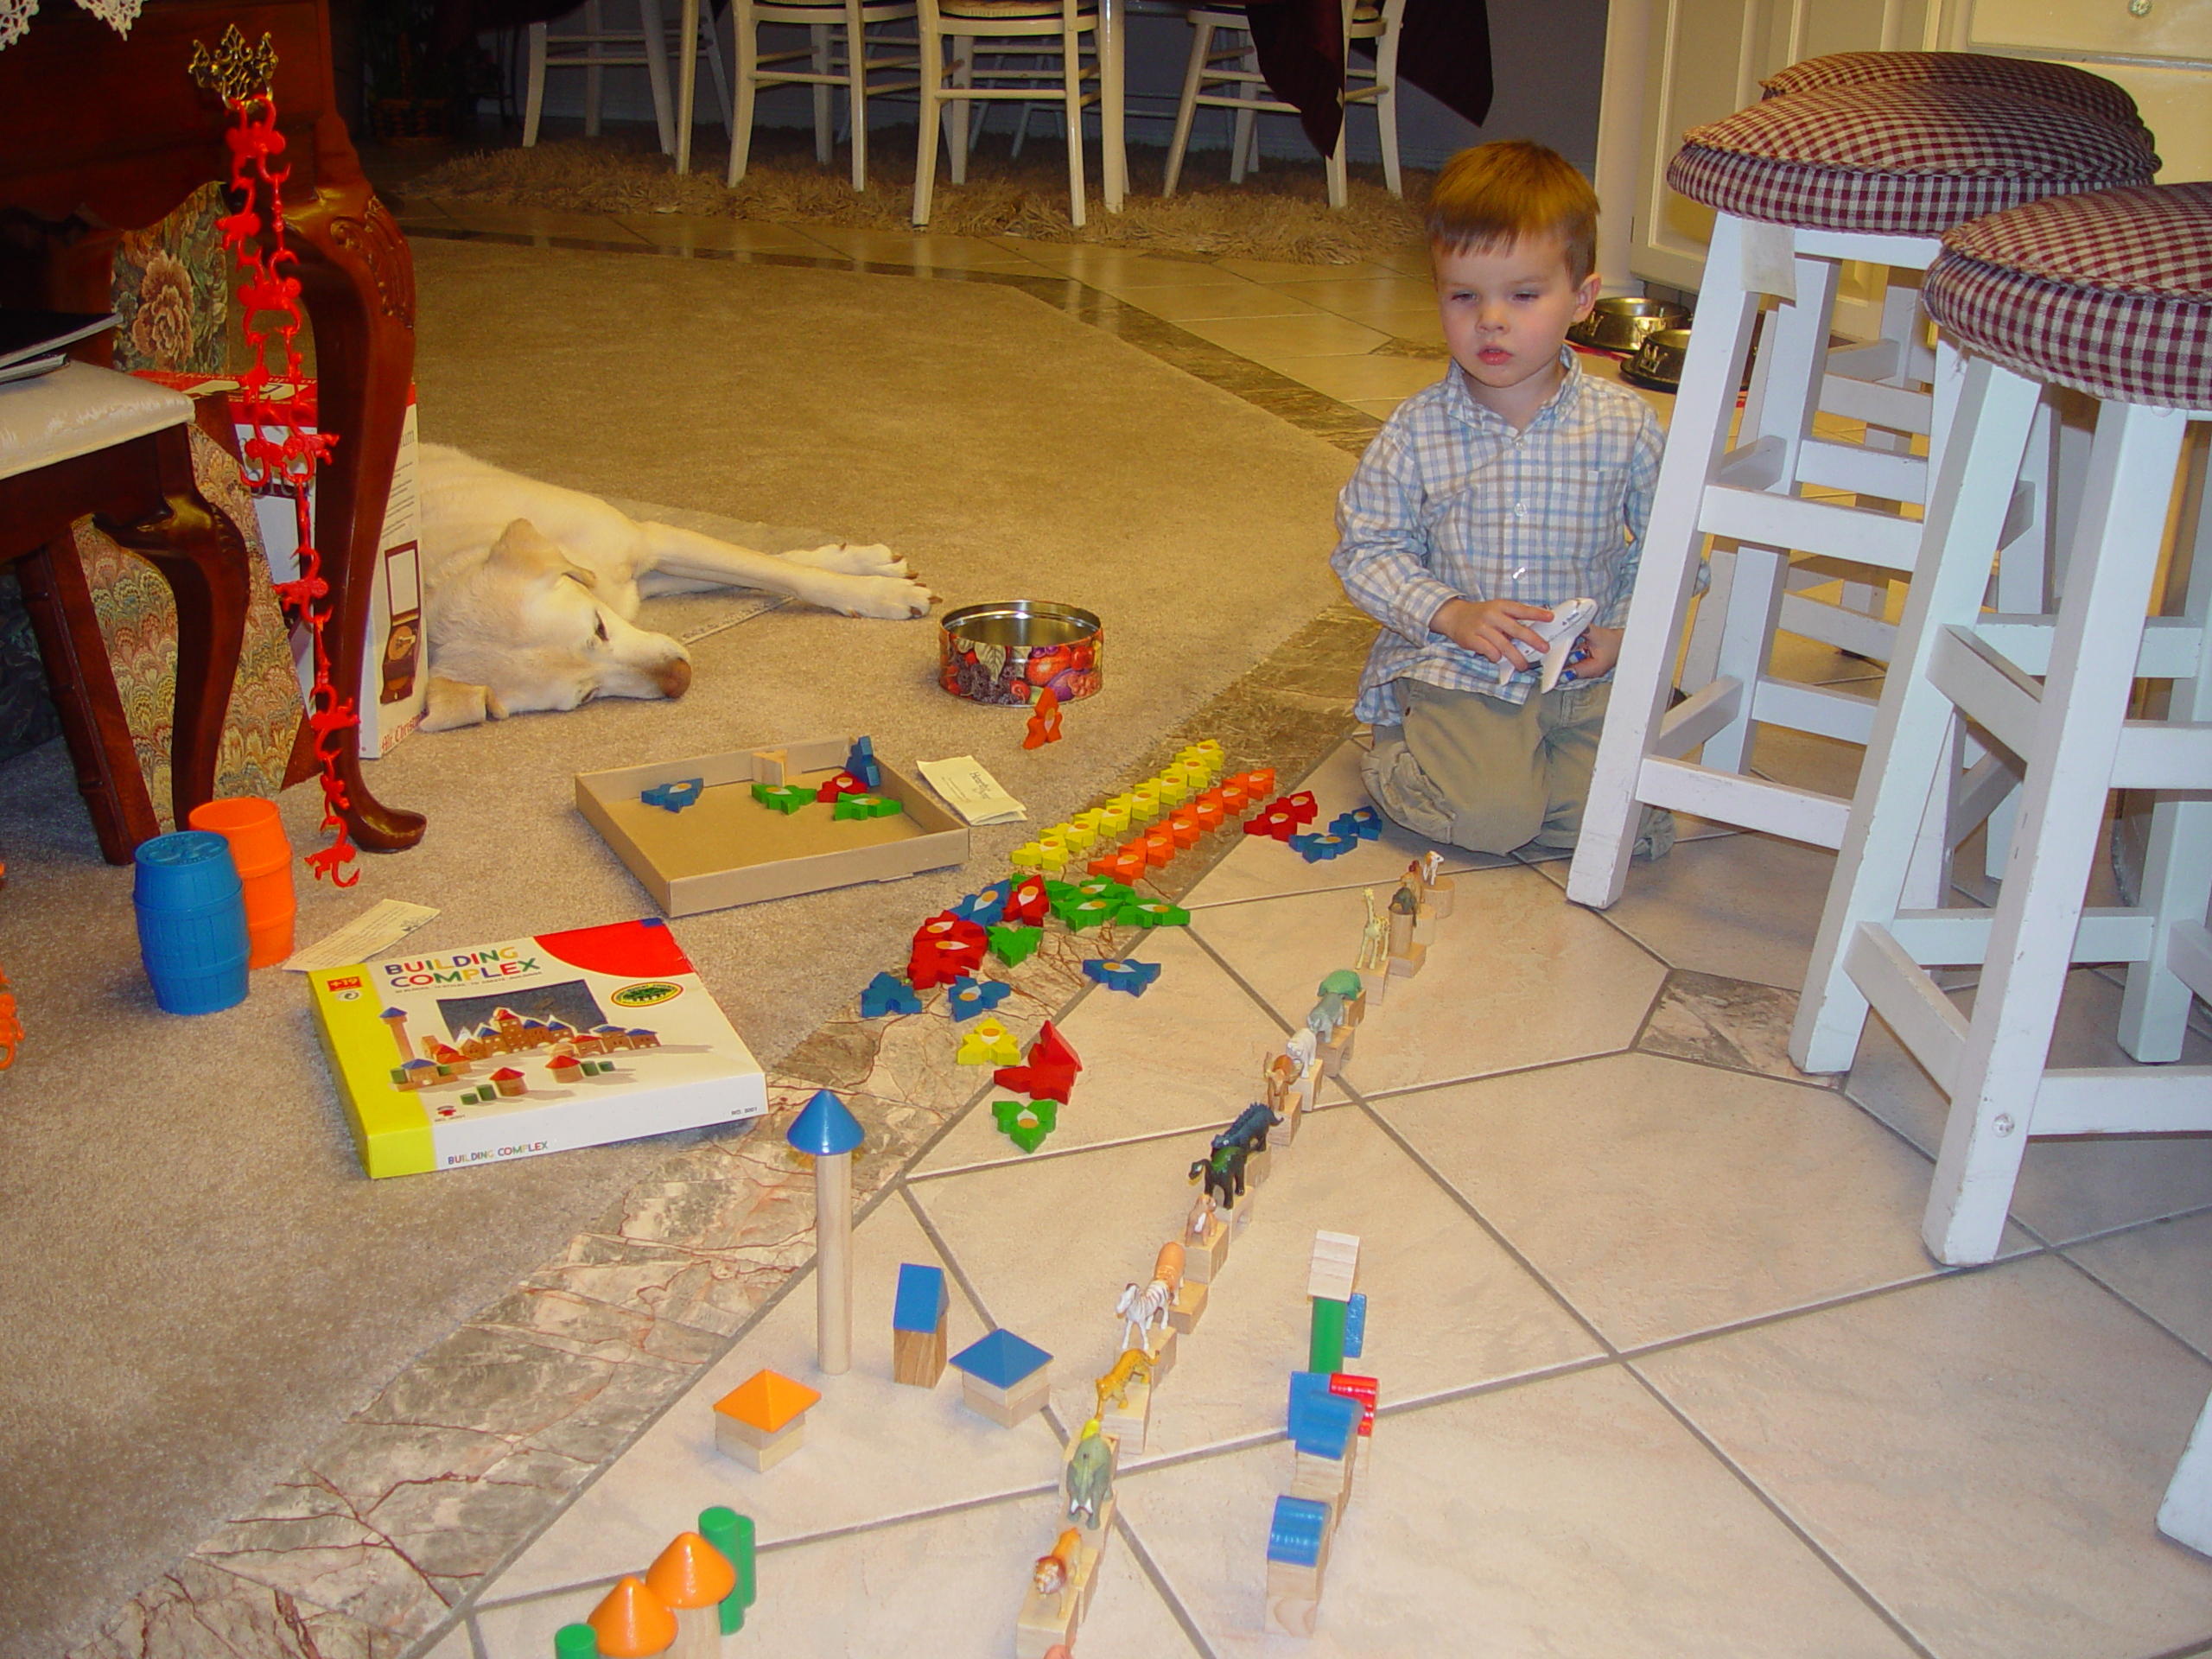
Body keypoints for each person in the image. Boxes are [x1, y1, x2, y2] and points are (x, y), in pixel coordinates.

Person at [1332, 140, 1673, 860]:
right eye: (1464, 296)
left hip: (1583, 671)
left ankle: (1525, 781)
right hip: (1461, 670)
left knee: (1617, 829)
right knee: (1491, 824)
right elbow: (1366, 549)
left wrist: (1622, 630)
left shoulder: (1624, 424)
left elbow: (1673, 547)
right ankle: (1401, 743)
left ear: (1582, 299)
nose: (1491, 319)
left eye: (1523, 295)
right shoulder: (1418, 429)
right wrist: (1449, 613)